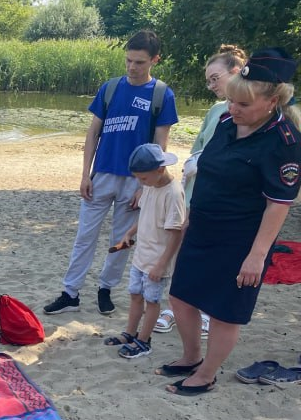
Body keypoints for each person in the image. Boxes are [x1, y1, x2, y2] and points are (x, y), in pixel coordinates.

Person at [158, 48, 301, 396]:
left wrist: (257, 255)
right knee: (181, 296)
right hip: (204, 224)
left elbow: (278, 204)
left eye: (243, 105)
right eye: (232, 101)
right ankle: (191, 356)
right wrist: (192, 213)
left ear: (271, 102)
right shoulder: (226, 121)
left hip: (242, 237)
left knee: (224, 312)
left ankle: (207, 373)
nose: (233, 109)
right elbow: (209, 170)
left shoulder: (285, 142)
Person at [43, 30, 179, 316]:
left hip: (137, 179)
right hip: (102, 174)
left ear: (155, 59)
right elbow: (93, 132)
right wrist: (84, 174)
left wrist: (148, 186)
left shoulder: (161, 94)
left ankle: (106, 289)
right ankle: (70, 293)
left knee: (121, 240)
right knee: (84, 235)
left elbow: (160, 144)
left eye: (140, 62)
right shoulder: (111, 88)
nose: (132, 67)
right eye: (129, 60)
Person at [154, 45, 247, 336]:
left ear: (236, 72)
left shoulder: (245, 112)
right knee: (186, 249)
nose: (211, 86)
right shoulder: (216, 111)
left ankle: (206, 311)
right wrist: (193, 164)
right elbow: (197, 149)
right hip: (196, 193)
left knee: (214, 255)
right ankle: (177, 306)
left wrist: (207, 161)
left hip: (223, 199)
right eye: (208, 81)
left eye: (215, 78)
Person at [103, 144, 185, 359]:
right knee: (135, 294)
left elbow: (176, 233)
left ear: (160, 170)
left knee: (152, 300)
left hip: (158, 260)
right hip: (141, 255)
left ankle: (144, 340)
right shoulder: (150, 185)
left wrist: (161, 264)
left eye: (143, 178)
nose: (140, 183)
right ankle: (130, 333)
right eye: (138, 178)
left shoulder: (173, 193)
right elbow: (146, 215)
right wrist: (130, 232)